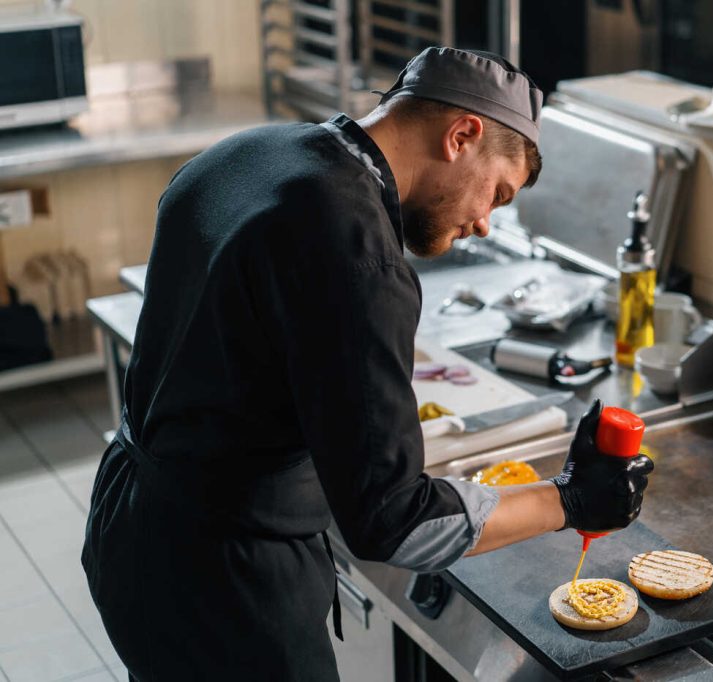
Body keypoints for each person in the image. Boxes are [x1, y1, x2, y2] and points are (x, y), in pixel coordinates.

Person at [82, 47, 654, 681]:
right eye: (497, 192)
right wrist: (570, 499)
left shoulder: (247, 154)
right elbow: (395, 524)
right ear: (462, 135)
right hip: (227, 584)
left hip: (130, 528)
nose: (485, 224)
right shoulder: (359, 259)